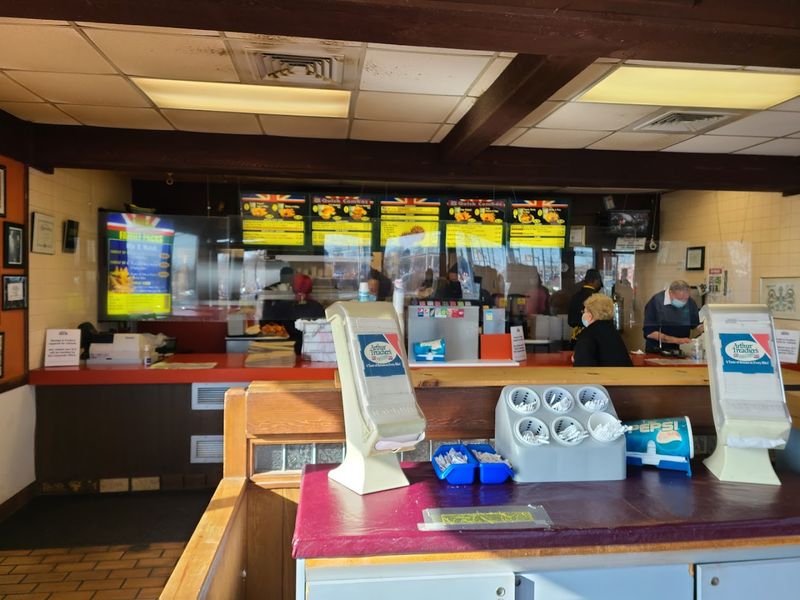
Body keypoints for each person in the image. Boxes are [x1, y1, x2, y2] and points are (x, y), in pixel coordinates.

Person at [642, 279, 703, 354]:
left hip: (681, 351)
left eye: (686, 299)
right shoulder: (656, 302)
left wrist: (705, 329)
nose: (683, 302)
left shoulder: (690, 302)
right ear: (670, 292)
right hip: (657, 351)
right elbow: (650, 333)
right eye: (680, 299)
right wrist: (678, 340)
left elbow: (696, 323)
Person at [572, 293, 633, 367]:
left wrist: (577, 356)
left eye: (584, 311)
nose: (583, 314)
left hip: (602, 377)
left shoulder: (588, 333)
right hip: (623, 376)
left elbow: (582, 364)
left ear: (590, 315)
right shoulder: (612, 331)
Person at [567, 269, 603, 342]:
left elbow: (570, 320)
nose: (600, 286)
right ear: (596, 281)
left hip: (575, 338)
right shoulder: (596, 298)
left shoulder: (575, 297)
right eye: (599, 282)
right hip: (592, 338)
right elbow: (599, 322)